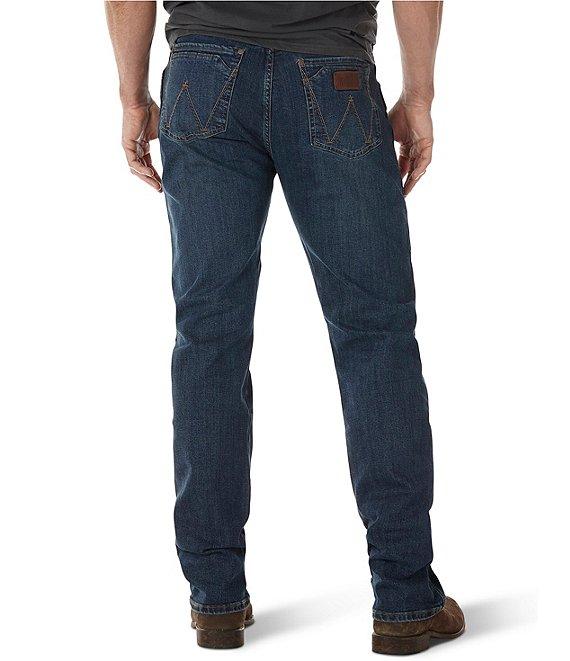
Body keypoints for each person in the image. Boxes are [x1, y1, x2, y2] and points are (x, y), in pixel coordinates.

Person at [105, 1, 464, 653]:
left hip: (201, 76)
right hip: (333, 74)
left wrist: (132, 96)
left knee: (208, 338)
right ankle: (405, 598)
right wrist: (419, 96)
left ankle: (214, 597)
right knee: (375, 336)